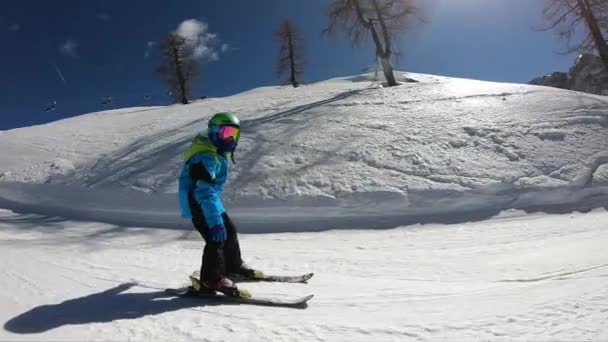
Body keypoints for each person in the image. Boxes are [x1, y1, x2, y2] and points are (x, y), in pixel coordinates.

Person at [178, 112, 256, 295]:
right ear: (213, 132)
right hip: (199, 202)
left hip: (210, 200)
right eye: (225, 132)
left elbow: (210, 192)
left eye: (233, 134)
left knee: (229, 231)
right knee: (216, 237)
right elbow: (203, 191)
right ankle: (211, 280)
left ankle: (233, 265)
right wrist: (214, 221)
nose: (229, 138)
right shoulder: (205, 156)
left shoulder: (216, 153)